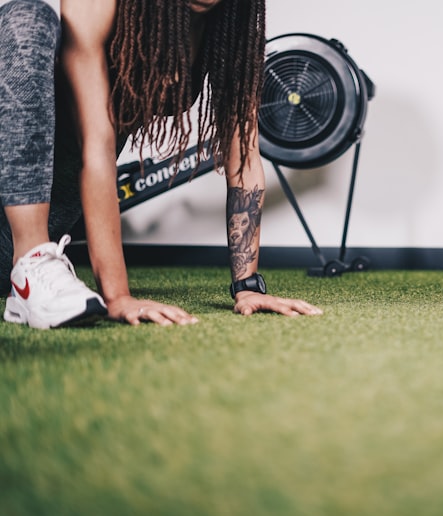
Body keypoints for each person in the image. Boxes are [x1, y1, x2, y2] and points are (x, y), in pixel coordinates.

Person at [0, 0, 322, 329]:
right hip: (21, 239)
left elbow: (244, 155)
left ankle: (31, 269)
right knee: (26, 16)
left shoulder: (228, 25)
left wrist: (247, 286)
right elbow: (95, 148)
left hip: (16, 243)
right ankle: (31, 260)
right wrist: (117, 296)